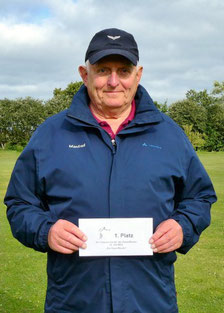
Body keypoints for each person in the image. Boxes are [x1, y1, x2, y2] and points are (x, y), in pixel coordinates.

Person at [5, 28, 217, 313]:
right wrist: (46, 231)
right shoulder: (50, 135)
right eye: (103, 70)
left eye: (124, 70)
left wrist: (183, 226)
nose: (114, 82)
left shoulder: (170, 135)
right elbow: (19, 203)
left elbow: (199, 198)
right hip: (74, 302)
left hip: (150, 301)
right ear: (85, 73)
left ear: (138, 75)